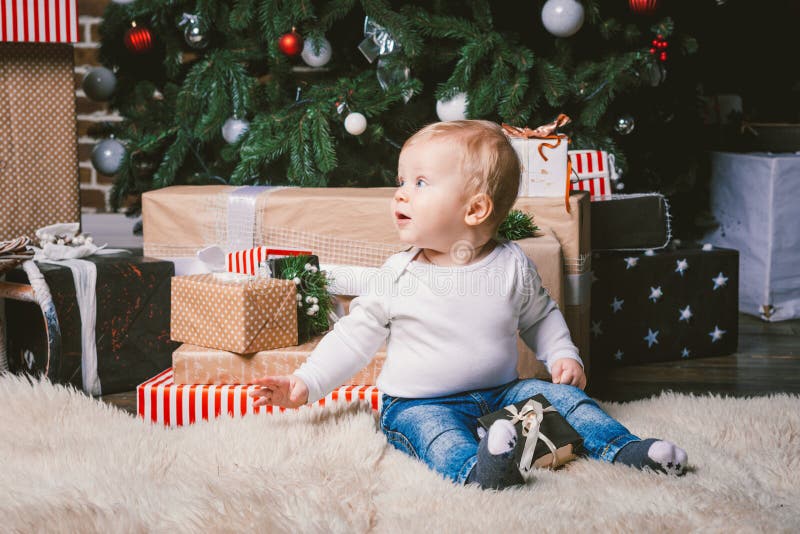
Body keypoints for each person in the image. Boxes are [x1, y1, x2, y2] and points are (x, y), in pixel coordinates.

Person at [249, 120, 688, 489]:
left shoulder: (511, 264)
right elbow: (353, 337)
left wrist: (562, 355)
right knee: (435, 436)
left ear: (476, 210)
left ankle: (626, 448)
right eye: (401, 182)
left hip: (502, 394)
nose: (400, 194)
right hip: (419, 402)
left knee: (563, 400)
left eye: (419, 183)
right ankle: (481, 471)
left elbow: (541, 316)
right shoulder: (398, 275)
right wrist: (305, 383)